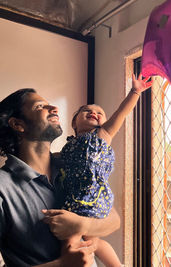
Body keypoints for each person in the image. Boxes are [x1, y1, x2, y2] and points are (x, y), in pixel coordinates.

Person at [0, 88, 120, 267]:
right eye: (40, 106)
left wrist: (82, 225)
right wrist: (62, 265)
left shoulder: (75, 166)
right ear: (18, 124)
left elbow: (114, 221)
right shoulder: (3, 187)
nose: (54, 108)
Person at [42, 73, 152, 267]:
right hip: (75, 196)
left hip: (93, 196)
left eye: (99, 112)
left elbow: (121, 113)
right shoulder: (69, 147)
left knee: (72, 240)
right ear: (74, 123)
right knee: (93, 240)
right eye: (86, 110)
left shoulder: (101, 135)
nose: (94, 112)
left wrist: (135, 92)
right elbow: (55, 159)